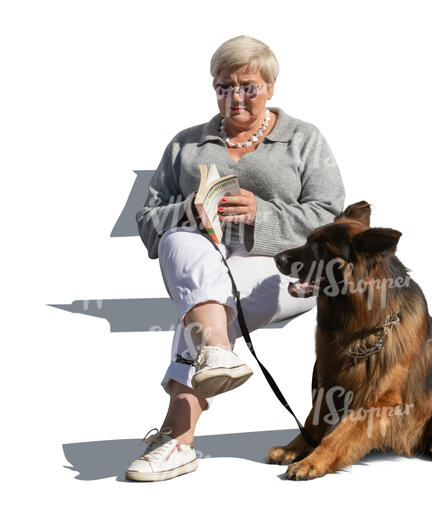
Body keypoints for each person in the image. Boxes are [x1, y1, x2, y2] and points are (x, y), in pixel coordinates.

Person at [127, 35, 345, 481]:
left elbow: (330, 219)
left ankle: (176, 437)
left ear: (271, 86)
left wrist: (261, 214)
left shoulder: (303, 139)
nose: (236, 97)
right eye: (224, 87)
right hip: (202, 258)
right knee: (177, 241)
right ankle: (217, 355)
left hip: (283, 268)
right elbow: (149, 221)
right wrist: (189, 209)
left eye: (248, 86)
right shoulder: (187, 144)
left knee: (201, 313)